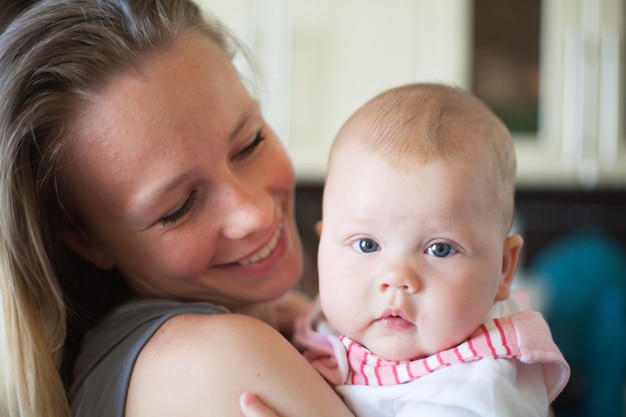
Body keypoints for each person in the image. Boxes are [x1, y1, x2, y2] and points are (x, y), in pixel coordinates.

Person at [0, 1, 356, 416]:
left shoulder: (301, 325)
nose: (254, 213)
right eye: (179, 207)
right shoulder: (217, 362)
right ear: (84, 238)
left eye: (250, 144)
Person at [289, 83, 570, 416]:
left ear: (503, 269)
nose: (395, 278)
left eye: (439, 249)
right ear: (324, 247)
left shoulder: (474, 391)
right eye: (367, 245)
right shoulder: (345, 317)